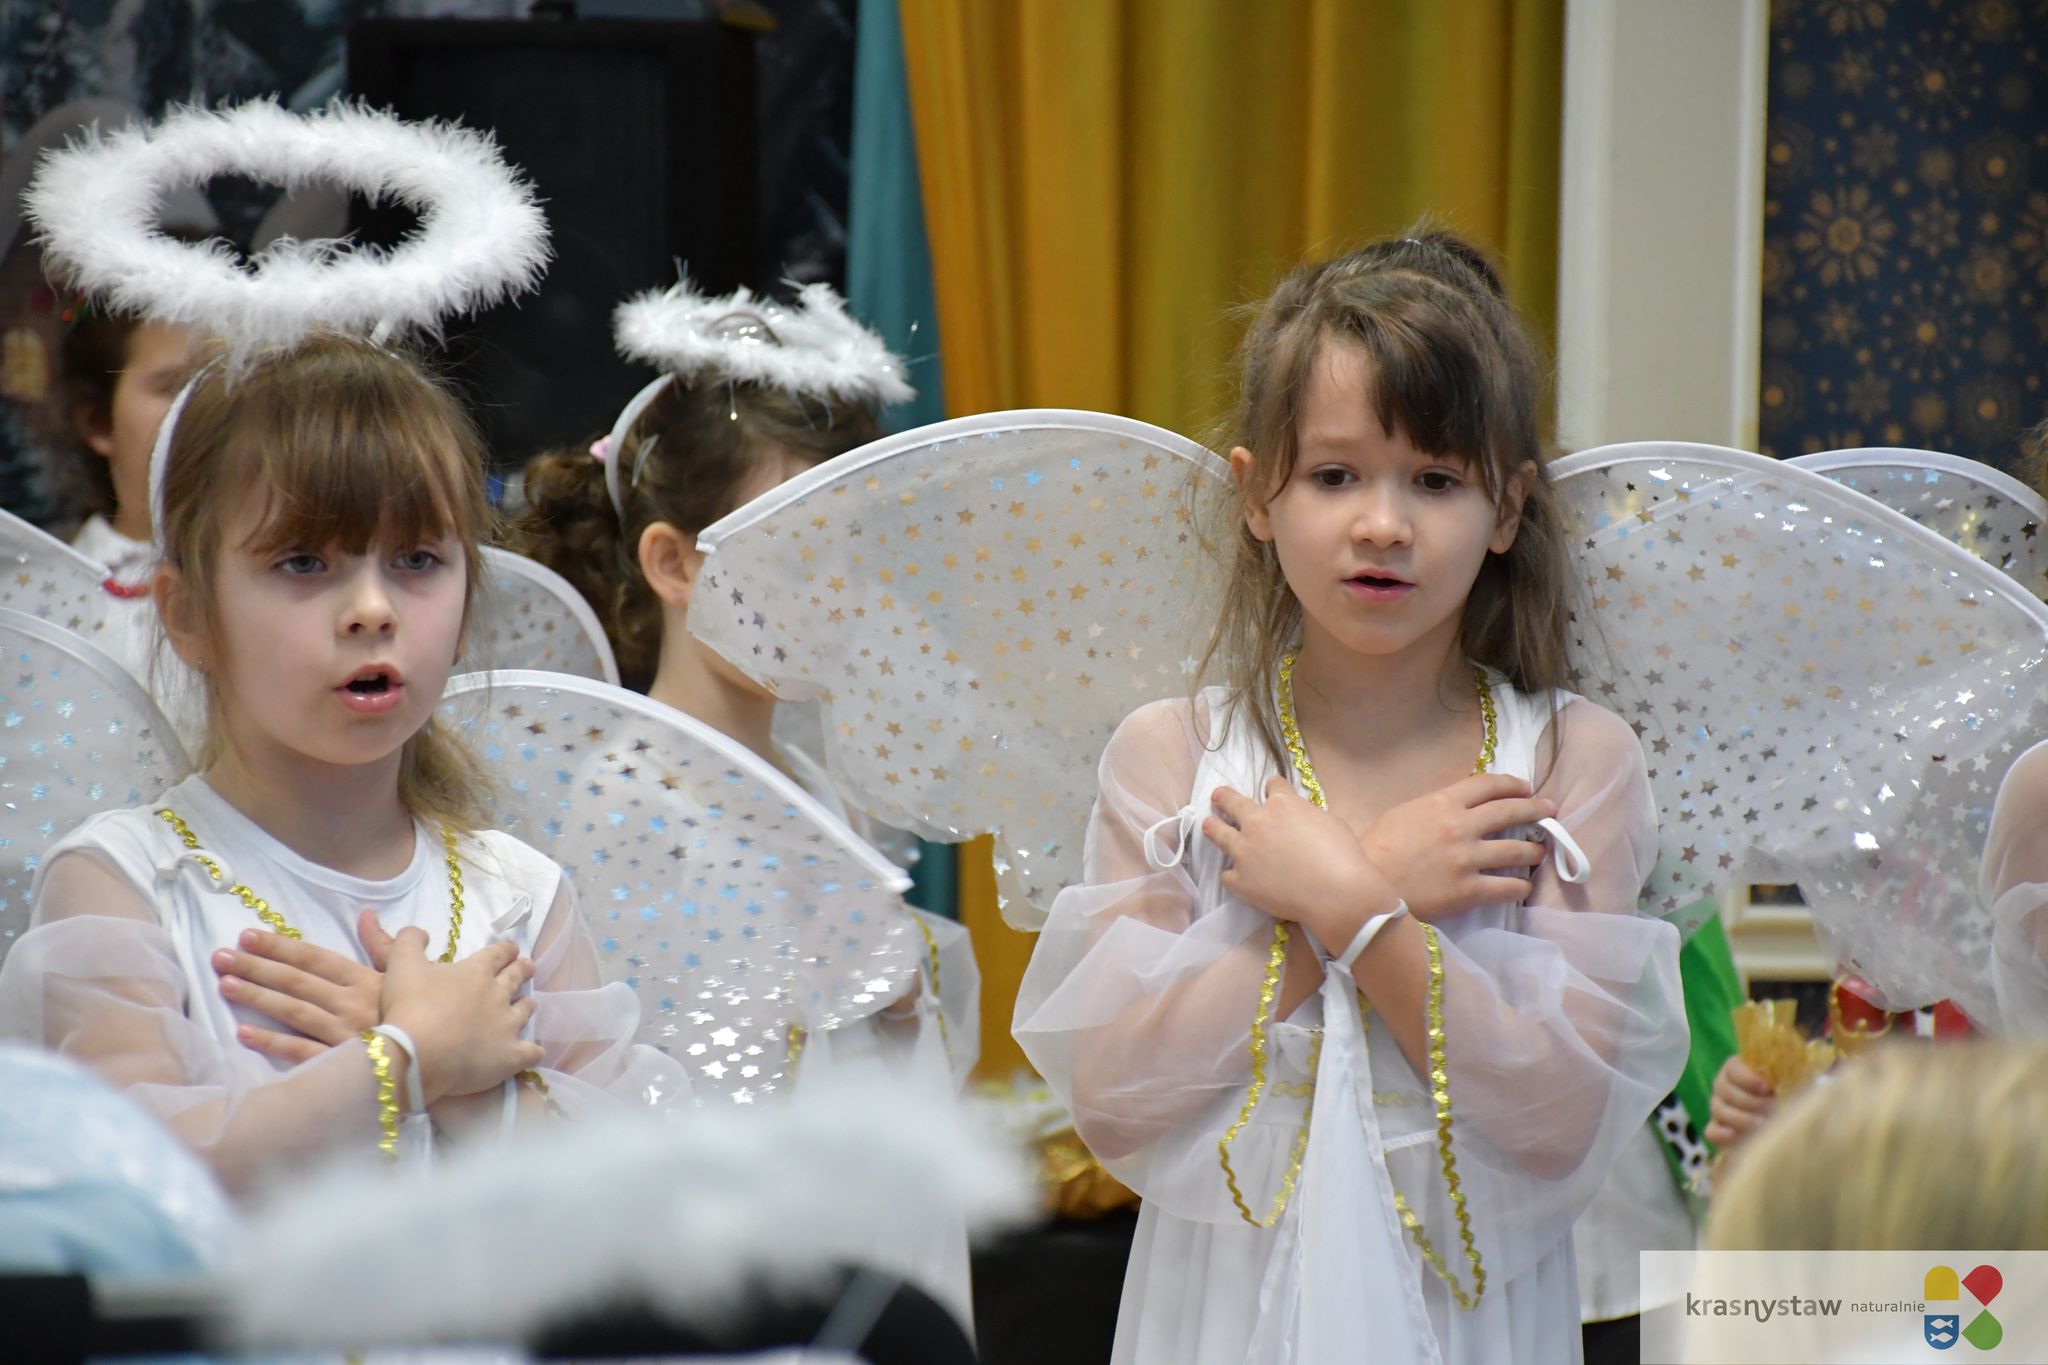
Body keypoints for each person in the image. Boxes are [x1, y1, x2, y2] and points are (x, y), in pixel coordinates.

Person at [1012, 231, 1689, 1364]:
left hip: (1466, 1313)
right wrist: (1371, 878)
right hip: (1224, 1310)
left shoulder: (1572, 760)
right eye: (1334, 476)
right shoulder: (1173, 757)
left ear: (1508, 509)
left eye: (1435, 480)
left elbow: (1556, 1118)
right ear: (1256, 494)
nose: (1382, 524)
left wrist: (1356, 905)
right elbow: (1118, 1098)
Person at [0, 334, 688, 1194]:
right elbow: (129, 1190)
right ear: (188, 613)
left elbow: (638, 1202)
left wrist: (477, 1093)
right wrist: (404, 1058)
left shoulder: (521, 894)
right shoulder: (124, 883)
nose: (371, 609)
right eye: (303, 561)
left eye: (418, 560)